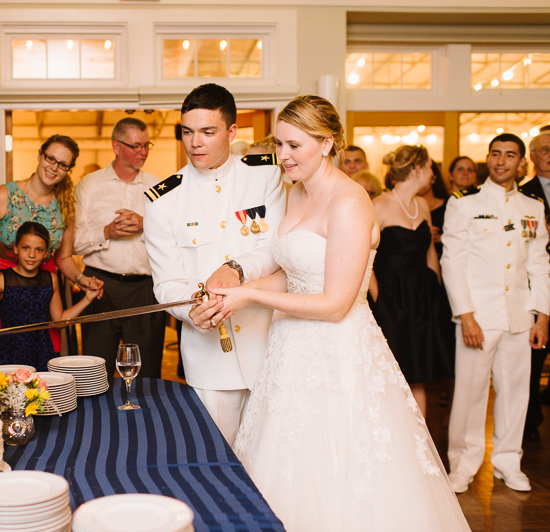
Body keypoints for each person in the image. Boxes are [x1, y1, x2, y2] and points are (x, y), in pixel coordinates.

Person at [207, 95, 469, 531]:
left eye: (295, 145)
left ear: (327, 143)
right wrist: (233, 291)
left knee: (344, 470)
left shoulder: (349, 202)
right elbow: (293, 273)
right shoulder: (295, 193)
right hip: (290, 352)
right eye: (280, 145)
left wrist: (250, 299)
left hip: (338, 353)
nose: (283, 156)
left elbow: (334, 303)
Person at [143, 83, 286, 445]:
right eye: (187, 132)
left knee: (275, 454)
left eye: (208, 132)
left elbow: (276, 247)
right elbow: (166, 283)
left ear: (232, 131)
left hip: (269, 342)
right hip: (208, 357)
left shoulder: (266, 175)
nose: (195, 143)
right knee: (218, 458)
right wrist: (191, 310)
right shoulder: (163, 200)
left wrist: (236, 269)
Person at [441, 133, 550, 494]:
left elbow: (540, 265)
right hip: (478, 317)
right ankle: (463, 462)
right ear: (488, 158)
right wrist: (466, 314)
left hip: (519, 315)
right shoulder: (465, 203)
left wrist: (542, 316)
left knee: (516, 393)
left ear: (522, 163)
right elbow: (452, 263)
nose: (502, 161)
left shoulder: (532, 207)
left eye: (510, 155)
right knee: (471, 393)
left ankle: (507, 460)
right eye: (496, 154)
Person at [0, 135, 103, 358]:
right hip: (3, 286)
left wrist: (82, 281)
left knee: (43, 355)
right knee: (4, 356)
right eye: (50, 158)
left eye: (62, 164)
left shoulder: (65, 207)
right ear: (40, 155)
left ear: (68, 169)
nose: (54, 167)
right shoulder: (4, 195)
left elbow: (63, 258)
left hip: (43, 290)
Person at [73, 118, 165, 380]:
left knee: (147, 370)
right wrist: (107, 232)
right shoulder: (89, 185)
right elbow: (74, 243)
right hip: (100, 287)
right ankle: (97, 422)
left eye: (147, 145)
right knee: (95, 369)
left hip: (146, 288)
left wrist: (146, 224)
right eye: (136, 146)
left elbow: (176, 238)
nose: (143, 152)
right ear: (116, 146)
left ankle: (146, 420)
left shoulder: (159, 187)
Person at [370, 145, 455, 417]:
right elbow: (362, 259)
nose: (433, 174)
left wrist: (437, 296)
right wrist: (379, 300)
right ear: (417, 168)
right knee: (391, 373)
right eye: (431, 167)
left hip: (421, 298)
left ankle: (421, 450)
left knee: (419, 374)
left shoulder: (422, 205)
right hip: (390, 298)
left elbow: (429, 252)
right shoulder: (379, 205)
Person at [0, 222, 99, 371]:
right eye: (26, 248)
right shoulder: (2, 279)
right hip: (10, 354)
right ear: (16, 248)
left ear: (46, 253)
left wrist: (87, 298)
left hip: (42, 354)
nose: (31, 254)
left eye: (39, 249)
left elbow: (60, 321)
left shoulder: (51, 279)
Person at [514, 131, 550, 441]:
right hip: (536, 285)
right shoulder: (524, 196)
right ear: (533, 156)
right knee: (533, 359)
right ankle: (528, 420)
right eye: (545, 150)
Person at [420, 160, 451, 259]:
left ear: (433, 178)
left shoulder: (448, 205)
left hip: (443, 258)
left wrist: (441, 238)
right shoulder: (407, 207)